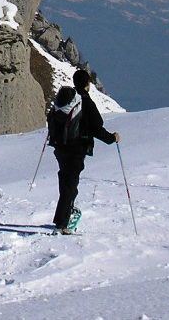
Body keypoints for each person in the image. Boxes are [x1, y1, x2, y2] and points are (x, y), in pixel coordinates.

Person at [50, 68, 119, 233]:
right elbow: (96, 126)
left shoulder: (66, 100)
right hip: (76, 148)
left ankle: (64, 216)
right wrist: (111, 138)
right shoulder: (85, 101)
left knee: (66, 180)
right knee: (70, 184)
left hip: (60, 146)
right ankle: (62, 224)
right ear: (88, 84)